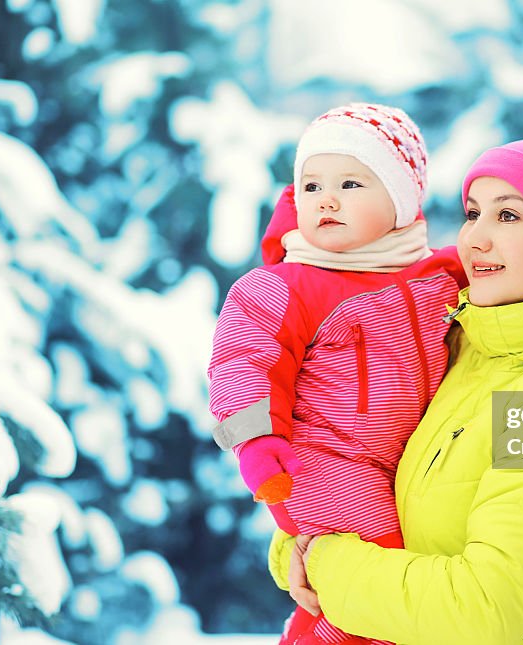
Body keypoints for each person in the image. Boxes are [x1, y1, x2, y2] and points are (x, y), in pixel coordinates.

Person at [269, 136, 523, 644]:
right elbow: (355, 474)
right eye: (472, 212)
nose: (474, 239)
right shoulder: (461, 350)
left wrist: (323, 562)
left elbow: (480, 612)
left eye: (508, 216)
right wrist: (295, 550)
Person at [207, 103, 465, 645]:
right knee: (382, 579)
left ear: (401, 200)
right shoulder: (287, 286)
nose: (326, 199)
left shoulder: (439, 277)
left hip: (398, 464)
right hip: (318, 462)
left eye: (351, 183)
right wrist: (256, 445)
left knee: (363, 592)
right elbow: (241, 366)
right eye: (311, 185)